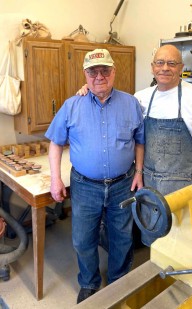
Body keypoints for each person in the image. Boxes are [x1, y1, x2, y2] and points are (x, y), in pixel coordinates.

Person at [77, 44, 192, 245]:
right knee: (156, 243)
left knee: (185, 244)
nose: (165, 67)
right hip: (149, 186)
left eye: (171, 63)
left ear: (181, 67)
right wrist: (91, 91)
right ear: (152, 67)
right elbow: (110, 109)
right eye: (160, 62)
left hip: (185, 187)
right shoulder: (140, 98)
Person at [45, 48, 145, 304]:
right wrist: (55, 179)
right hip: (84, 186)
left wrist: (139, 173)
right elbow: (55, 143)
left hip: (123, 183)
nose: (99, 76)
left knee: (122, 236)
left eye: (105, 70)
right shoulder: (72, 105)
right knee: (82, 238)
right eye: (93, 71)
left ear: (114, 72)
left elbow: (139, 141)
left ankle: (118, 280)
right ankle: (89, 282)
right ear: (85, 75)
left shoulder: (131, 103)